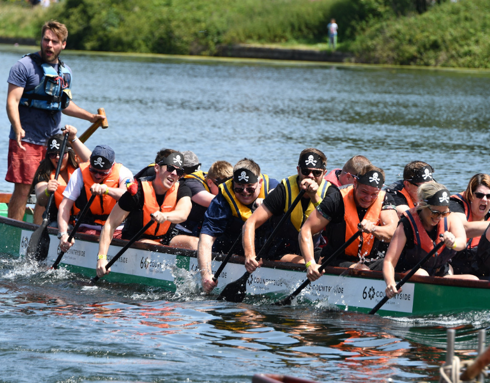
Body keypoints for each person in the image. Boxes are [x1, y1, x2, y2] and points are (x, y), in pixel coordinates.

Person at [6, 20, 104, 222]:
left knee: (48, 188)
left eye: (54, 41)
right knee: (23, 188)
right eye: (46, 40)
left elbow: (64, 104)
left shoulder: (65, 72)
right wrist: (17, 127)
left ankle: (36, 235)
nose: (49, 45)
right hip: (26, 139)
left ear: (63, 44)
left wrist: (90, 117)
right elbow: (12, 101)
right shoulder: (24, 66)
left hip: (53, 143)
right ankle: (14, 230)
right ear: (41, 40)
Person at [95, 149, 192, 278]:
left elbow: (183, 213)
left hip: (164, 239)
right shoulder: (137, 191)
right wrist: (102, 258)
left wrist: (165, 216)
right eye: (169, 168)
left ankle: (205, 278)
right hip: (136, 241)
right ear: (157, 168)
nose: (174, 173)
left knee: (195, 243)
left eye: (178, 172)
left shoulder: (182, 189)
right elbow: (110, 225)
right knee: (153, 245)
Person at [300, 164, 398, 283]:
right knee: (362, 269)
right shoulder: (336, 198)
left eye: (374, 194)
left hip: (372, 261)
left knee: (398, 265)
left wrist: (373, 228)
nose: (368, 198)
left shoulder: (386, 199)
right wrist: (310, 263)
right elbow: (306, 230)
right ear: (355, 183)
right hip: (336, 259)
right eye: (364, 192)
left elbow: (392, 232)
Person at [383, 183, 478, 299]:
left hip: (438, 274)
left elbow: (462, 242)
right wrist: (390, 283)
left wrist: (453, 243)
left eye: (444, 213)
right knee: (422, 274)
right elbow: (389, 261)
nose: (439, 217)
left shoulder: (451, 218)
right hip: (409, 274)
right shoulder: (406, 224)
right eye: (435, 212)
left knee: (473, 280)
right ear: (422, 204)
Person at [242, 149, 330, 274]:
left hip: (312, 249)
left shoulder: (330, 193)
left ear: (324, 173)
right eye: (305, 171)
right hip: (280, 250)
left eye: (316, 173)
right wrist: (250, 255)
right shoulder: (283, 190)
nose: (311, 176)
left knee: (327, 261)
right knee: (302, 261)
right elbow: (250, 223)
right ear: (298, 170)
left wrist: (314, 196)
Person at [197, 158, 279, 293]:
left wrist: (268, 203)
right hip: (232, 248)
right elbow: (206, 239)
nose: (245, 192)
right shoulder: (222, 199)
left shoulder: (275, 189)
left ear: (260, 182)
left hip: (268, 248)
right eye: (239, 188)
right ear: (233, 184)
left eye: (250, 188)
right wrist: (206, 275)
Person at [58, 145, 133, 253]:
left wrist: (106, 189)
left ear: (112, 166)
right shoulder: (79, 174)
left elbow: (125, 195)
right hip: (88, 228)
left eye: (103, 173)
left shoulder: (124, 173)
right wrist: (63, 234)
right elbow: (65, 206)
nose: (97, 176)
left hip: (116, 229)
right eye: (93, 171)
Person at [31, 125, 91, 225]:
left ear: (68, 153)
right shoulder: (44, 170)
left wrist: (74, 138)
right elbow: (41, 199)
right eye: (53, 154)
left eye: (62, 154)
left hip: (82, 220)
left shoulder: (78, 165)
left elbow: (93, 162)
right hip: (57, 220)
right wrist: (46, 191)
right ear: (48, 155)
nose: (57, 158)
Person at [170, 160, 233, 246]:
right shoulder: (192, 184)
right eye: (223, 187)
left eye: (230, 187)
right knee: (199, 244)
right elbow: (216, 202)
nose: (227, 191)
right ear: (210, 183)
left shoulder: (214, 182)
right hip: (176, 234)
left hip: (198, 234)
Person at [450, 174, 490, 278]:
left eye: (489, 196)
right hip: (457, 260)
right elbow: (463, 229)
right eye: (479, 195)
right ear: (470, 195)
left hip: (483, 264)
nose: (485, 199)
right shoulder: (455, 204)